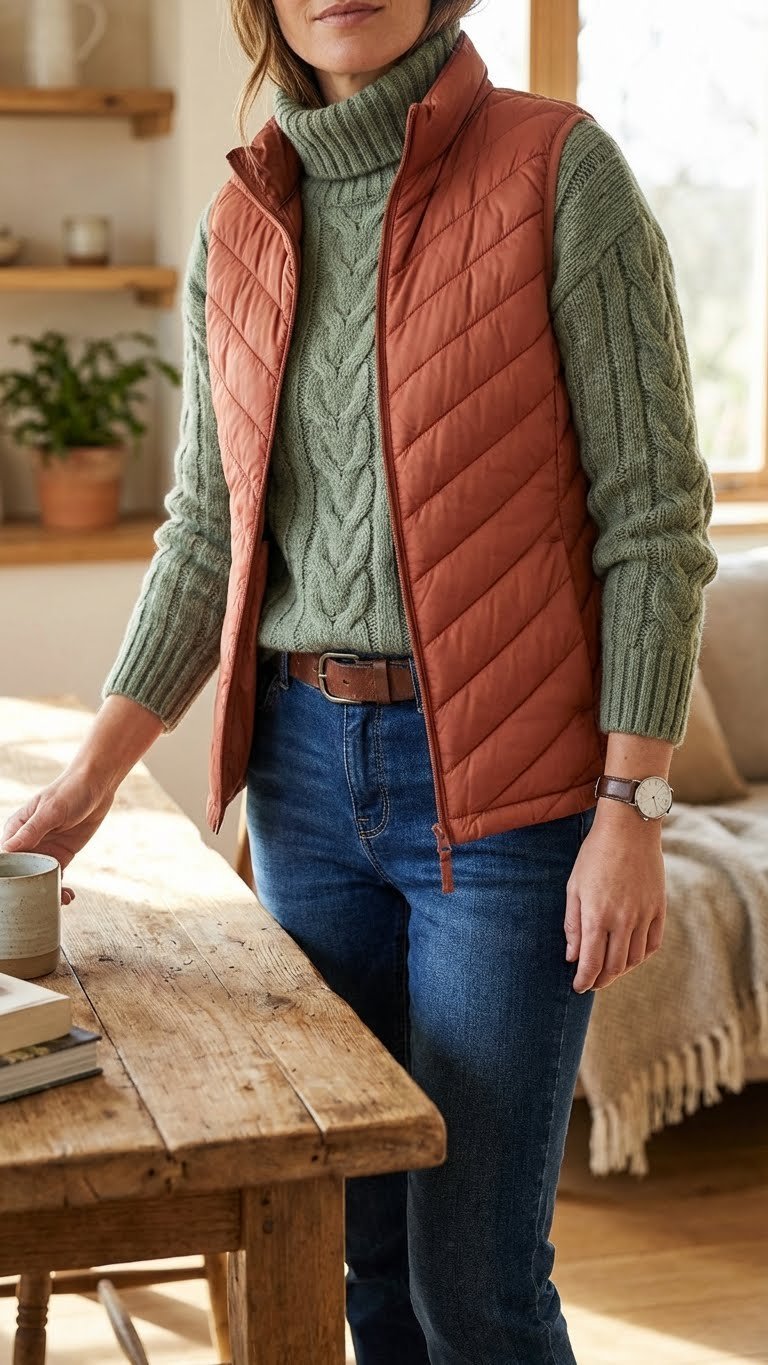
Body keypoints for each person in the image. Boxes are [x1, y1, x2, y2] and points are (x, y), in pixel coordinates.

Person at [2, 2, 718, 1360]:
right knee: (364, 1260)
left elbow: (655, 517)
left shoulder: (560, 171)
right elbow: (209, 532)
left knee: (477, 1280)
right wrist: (90, 780)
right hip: (305, 792)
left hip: (509, 801)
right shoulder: (242, 223)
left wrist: (633, 799)